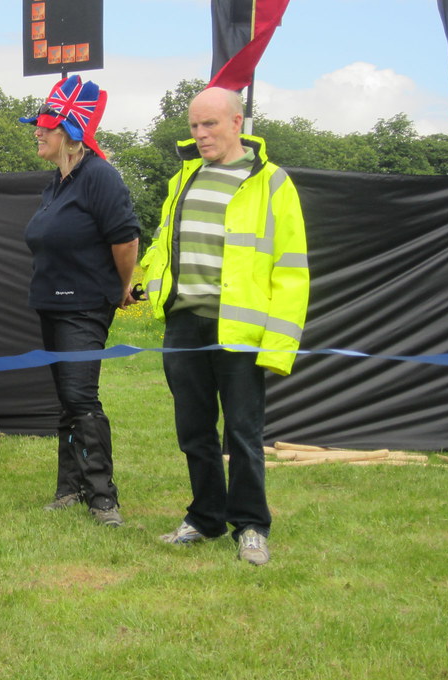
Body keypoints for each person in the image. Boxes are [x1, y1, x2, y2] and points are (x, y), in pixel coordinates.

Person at [139, 87, 309, 566]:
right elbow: (164, 240)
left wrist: (278, 345)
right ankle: (205, 517)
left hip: (241, 330)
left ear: (238, 123)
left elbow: (291, 270)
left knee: (242, 432)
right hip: (185, 326)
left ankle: (252, 525)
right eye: (194, 126)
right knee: (193, 430)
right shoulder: (183, 178)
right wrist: (151, 284)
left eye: (210, 125)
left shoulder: (273, 183)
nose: (200, 135)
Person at [18, 75, 139, 528]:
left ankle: (102, 496)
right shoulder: (57, 182)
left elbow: (126, 239)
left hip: (86, 304)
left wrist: (122, 289)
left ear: (69, 135)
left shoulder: (100, 177)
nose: (38, 132)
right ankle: (70, 487)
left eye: (46, 127)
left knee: (81, 396)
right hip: (51, 304)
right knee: (67, 399)